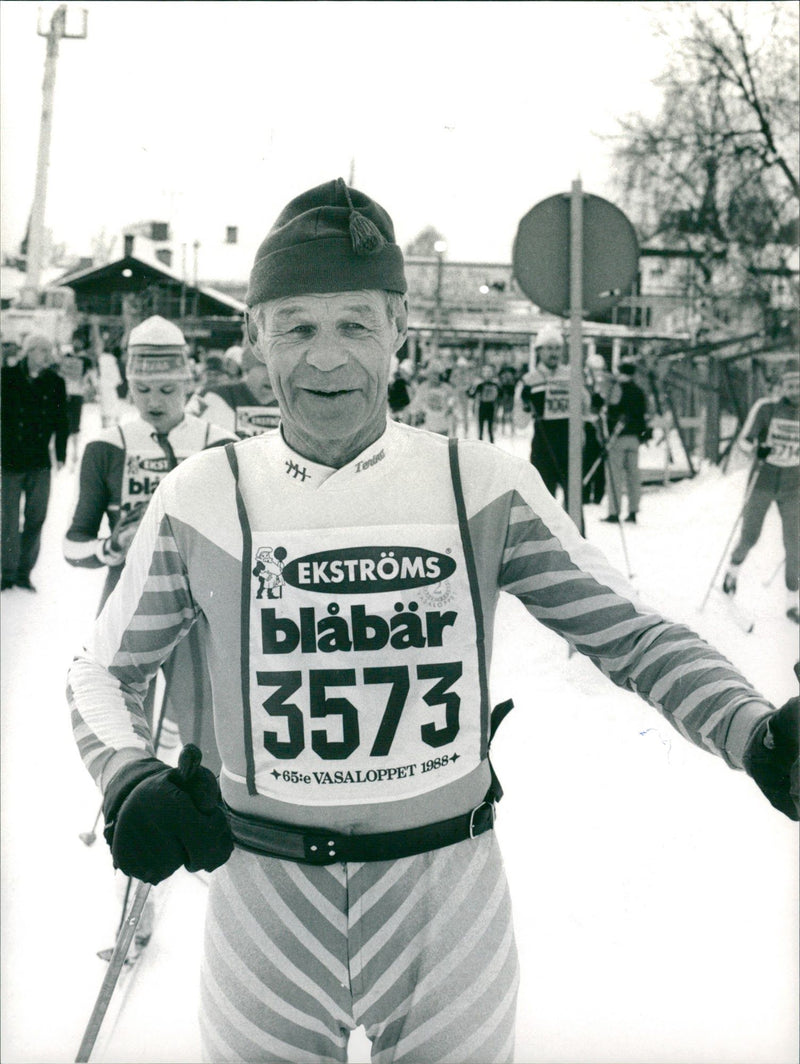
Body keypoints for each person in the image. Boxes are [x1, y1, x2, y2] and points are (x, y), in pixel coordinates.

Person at [67, 178, 798, 1064]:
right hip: (265, 895)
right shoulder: (200, 495)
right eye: (297, 327)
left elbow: (630, 634)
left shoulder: (479, 482)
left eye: (355, 325)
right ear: (257, 336)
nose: (327, 358)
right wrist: (127, 778)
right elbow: (101, 672)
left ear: (399, 329)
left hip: (445, 897)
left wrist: (754, 732)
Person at [723, 357, 799, 623]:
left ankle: (793, 602)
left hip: (794, 487)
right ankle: (732, 571)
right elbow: (743, 442)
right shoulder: (766, 408)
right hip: (763, 482)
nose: (795, 391)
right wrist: (758, 448)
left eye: (799, 385)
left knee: (795, 544)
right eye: (790, 385)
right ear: (781, 386)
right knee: (750, 536)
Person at [2, 332, 68, 592]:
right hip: (9, 459)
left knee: (36, 518)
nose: (47, 356)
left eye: (49, 351)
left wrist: (61, 454)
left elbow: (62, 421)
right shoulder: (6, 378)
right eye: (42, 351)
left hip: (40, 461)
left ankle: (23, 572)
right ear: (29, 351)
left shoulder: (55, 382)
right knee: (7, 519)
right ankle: (5, 572)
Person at [520, 325, 576, 501]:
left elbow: (586, 408)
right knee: (544, 503)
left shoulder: (571, 376)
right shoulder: (529, 380)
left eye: (558, 348)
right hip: (543, 447)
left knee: (574, 502)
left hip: (569, 446)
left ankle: (577, 530)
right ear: (539, 351)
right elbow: (520, 422)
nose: (554, 353)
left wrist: (594, 401)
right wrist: (525, 403)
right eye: (549, 348)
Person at [187, 341, 280, 436]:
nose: (273, 376)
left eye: (281, 368)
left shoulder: (292, 407)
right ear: (246, 366)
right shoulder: (210, 396)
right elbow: (182, 431)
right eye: (265, 366)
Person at [602, 359, 651, 524]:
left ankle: (614, 512)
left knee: (615, 476)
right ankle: (633, 511)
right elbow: (644, 414)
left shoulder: (617, 389)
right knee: (633, 476)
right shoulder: (639, 391)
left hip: (618, 437)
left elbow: (611, 409)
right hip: (634, 439)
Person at [407, 358, 456, 435]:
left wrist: (450, 407)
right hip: (430, 428)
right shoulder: (423, 387)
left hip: (444, 427)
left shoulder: (447, 388)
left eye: (437, 374)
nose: (435, 377)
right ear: (428, 375)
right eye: (432, 374)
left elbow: (453, 404)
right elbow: (414, 407)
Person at [468, 363, 501, 443]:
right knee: (481, 429)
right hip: (482, 407)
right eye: (485, 372)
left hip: (491, 407)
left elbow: (500, 396)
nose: (487, 374)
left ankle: (492, 445)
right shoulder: (480, 385)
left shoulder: (496, 384)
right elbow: (471, 395)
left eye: (489, 372)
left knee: (491, 430)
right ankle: (480, 445)